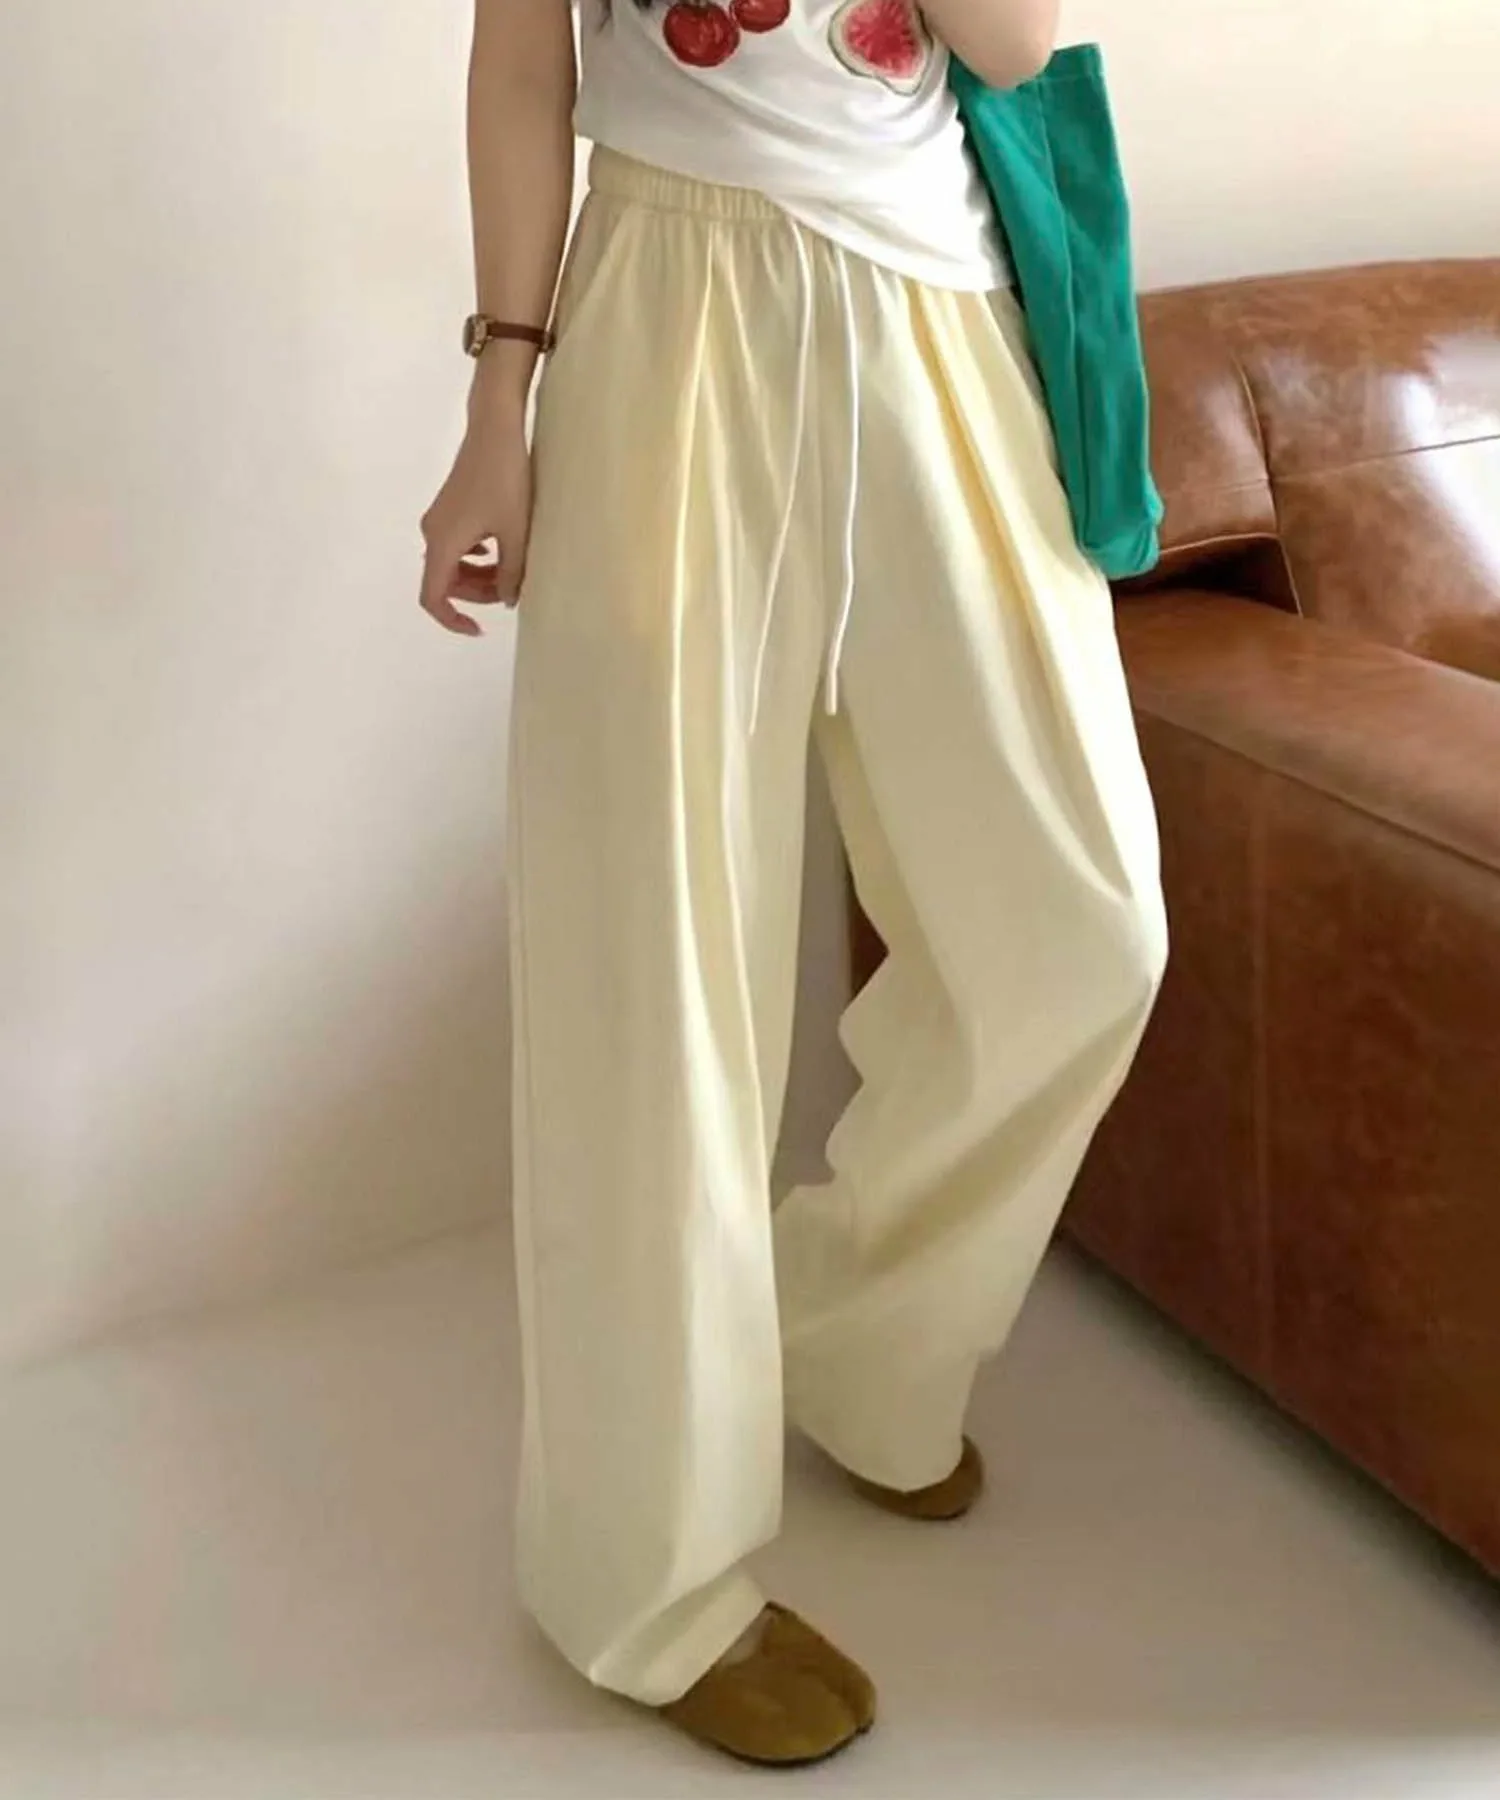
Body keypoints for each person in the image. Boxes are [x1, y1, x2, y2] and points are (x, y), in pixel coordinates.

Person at [418, 0, 1167, 1768]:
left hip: (941, 318)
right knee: (657, 965)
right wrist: (498, 400)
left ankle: (861, 1338)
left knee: (1083, 928)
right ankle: (646, 1583)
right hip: (665, 304)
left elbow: (1011, 42)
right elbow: (521, 65)